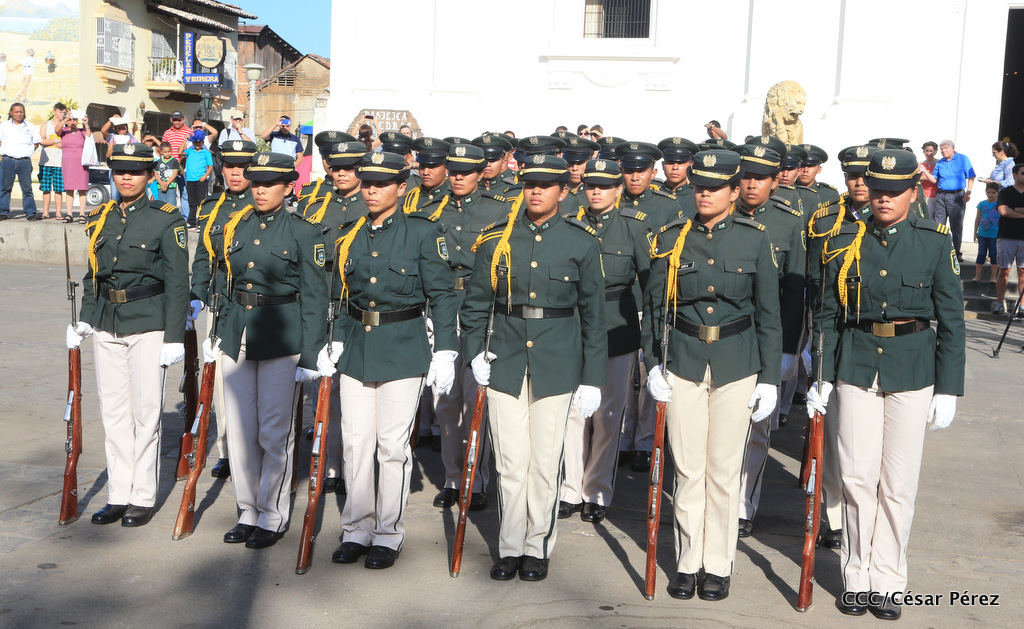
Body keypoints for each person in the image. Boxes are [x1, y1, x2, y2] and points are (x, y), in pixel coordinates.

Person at [808, 149, 964, 620]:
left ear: (913, 193)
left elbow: (952, 320)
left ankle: (889, 580)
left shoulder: (933, 242)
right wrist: (822, 375)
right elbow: (828, 315)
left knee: (898, 483)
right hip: (856, 366)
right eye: (877, 189)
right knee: (857, 478)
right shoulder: (844, 240)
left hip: (912, 369)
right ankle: (856, 576)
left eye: (894, 192)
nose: (883, 199)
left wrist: (948, 388)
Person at [643, 149, 781, 602]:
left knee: (723, 471)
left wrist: (769, 377)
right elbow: (654, 308)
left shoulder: (754, 239)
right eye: (700, 186)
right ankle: (687, 562)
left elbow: (769, 314)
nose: (705, 193)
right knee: (687, 469)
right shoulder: (672, 238)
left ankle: (718, 565)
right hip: (683, 361)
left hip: (736, 363)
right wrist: (653, 362)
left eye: (715, 187)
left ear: (734, 190)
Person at [462, 154, 607, 582]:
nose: (536, 191)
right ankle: (510, 547)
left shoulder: (581, 242)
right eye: (530, 184)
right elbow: (476, 304)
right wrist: (474, 352)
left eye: (546, 184)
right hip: (504, 358)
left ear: (564, 192)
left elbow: (593, 317)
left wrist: (592, 378)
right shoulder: (497, 240)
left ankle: (537, 546)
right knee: (509, 462)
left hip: (557, 361)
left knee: (544, 462)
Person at [317, 150, 457, 570]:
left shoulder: (421, 232)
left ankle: (387, 532)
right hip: (357, 347)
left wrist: (445, 350)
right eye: (367, 183)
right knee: (356, 443)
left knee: (392, 447)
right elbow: (341, 295)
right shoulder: (350, 235)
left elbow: (442, 294)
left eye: (382, 183)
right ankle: (356, 528)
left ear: (401, 186)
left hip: (403, 346)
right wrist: (333, 341)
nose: (372, 190)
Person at [203, 151, 327, 549]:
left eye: (270, 183)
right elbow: (225, 281)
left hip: (281, 334)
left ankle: (272, 514)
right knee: (240, 432)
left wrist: (311, 354)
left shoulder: (304, 232)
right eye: (256, 182)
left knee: (274, 432)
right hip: (238, 332)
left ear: (288, 187)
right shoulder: (235, 225)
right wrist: (217, 333)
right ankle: (248, 510)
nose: (260, 190)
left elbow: (315, 296)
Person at [65, 142, 189, 527]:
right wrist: (86, 319)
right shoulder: (101, 217)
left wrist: (174, 335)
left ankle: (142, 496)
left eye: (135, 172)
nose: (126, 178)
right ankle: (118, 494)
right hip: (108, 322)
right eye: (120, 171)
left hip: (148, 322)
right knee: (114, 413)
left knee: (146, 413)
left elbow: (177, 282)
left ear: (150, 176)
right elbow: (94, 275)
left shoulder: (166, 218)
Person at [558, 158, 651, 524]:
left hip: (616, 327)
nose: (596, 191)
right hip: (576, 326)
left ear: (618, 189)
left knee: (608, 415)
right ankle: (569, 488)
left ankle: (596, 490)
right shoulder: (570, 223)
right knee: (573, 413)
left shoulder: (632, 227)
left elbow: (649, 283)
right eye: (590, 185)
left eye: (605, 185)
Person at [421, 144, 509, 511]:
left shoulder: (499, 210)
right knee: (445, 401)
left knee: (476, 400)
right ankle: (453, 478)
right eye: (453, 171)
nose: (458, 177)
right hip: (440, 307)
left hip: (479, 309)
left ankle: (477, 479)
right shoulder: (429, 209)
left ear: (479, 173)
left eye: (466, 172)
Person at [804, 143, 878, 549]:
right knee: (832, 435)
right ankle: (832, 514)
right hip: (831, 332)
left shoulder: (895, 217)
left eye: (865, 176)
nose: (859, 183)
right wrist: (810, 340)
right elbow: (815, 282)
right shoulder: (825, 217)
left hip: (872, 336)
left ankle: (863, 513)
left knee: (866, 442)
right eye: (853, 176)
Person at [731, 145, 806, 539]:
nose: (751, 184)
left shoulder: (788, 223)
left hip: (767, 337)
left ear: (775, 181)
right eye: (746, 176)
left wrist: (789, 349)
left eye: (760, 178)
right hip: (726, 336)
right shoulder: (719, 215)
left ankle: (744, 505)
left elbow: (794, 294)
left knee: (757, 426)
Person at [186, 139, 258, 479]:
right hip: (220, 302)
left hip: (255, 304)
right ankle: (227, 450)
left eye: (243, 166)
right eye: (230, 166)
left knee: (254, 378)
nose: (235, 172)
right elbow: (203, 257)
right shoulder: (212, 207)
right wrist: (197, 295)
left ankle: (253, 445)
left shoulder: (263, 204)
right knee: (219, 383)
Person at [930, 139, 976, 261]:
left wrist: (969, 192)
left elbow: (971, 176)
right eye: (941, 149)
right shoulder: (940, 162)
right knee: (938, 225)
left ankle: (956, 252)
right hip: (941, 195)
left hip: (957, 196)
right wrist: (924, 172)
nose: (943, 150)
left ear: (952, 148)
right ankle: (938, 252)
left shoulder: (962, 159)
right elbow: (934, 180)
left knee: (956, 226)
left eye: (946, 148)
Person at [0, 102, 40, 220]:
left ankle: (30, 212)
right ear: (11, 113)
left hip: (24, 162)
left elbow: (36, 142)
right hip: (8, 161)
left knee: (27, 188)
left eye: (21, 112)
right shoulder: (4, 126)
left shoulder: (30, 127)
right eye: (16, 112)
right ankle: (3, 211)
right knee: (5, 187)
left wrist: (27, 151)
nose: (19, 114)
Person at [994, 163, 1024, 315]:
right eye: (1023, 173)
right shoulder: (1005, 192)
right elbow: (1004, 211)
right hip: (1007, 236)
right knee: (1004, 271)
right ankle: (999, 303)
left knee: (1022, 272)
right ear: (1014, 174)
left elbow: (1011, 211)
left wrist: (1016, 210)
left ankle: (1022, 306)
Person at [56, 110, 90, 223]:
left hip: (81, 162)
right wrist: (65, 119)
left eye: (74, 119)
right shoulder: (64, 131)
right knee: (69, 188)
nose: (72, 122)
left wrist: (86, 123)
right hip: (68, 162)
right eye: (70, 120)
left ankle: (82, 214)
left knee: (82, 188)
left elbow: (90, 137)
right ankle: (69, 214)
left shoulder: (81, 131)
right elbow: (57, 130)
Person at [402, 137, 451, 213]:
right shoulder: (409, 198)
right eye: (422, 166)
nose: (425, 172)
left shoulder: (453, 197)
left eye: (432, 167)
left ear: (446, 169)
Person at [654, 136, 699, 217]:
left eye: (681, 163)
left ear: (691, 165)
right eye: (670, 162)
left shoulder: (698, 198)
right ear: (663, 165)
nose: (675, 167)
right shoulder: (653, 195)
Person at [38, 102, 67, 220]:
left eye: (64, 112)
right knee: (46, 188)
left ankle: (58, 213)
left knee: (59, 189)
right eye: (60, 112)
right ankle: (45, 212)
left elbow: (67, 143)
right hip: (46, 162)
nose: (62, 114)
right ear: (54, 112)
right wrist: (56, 141)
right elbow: (41, 140)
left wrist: (61, 144)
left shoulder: (65, 126)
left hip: (60, 162)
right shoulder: (46, 124)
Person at [181, 131, 214, 227]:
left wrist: (204, 176)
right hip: (190, 179)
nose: (196, 144)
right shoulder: (190, 151)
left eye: (198, 142)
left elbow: (210, 167)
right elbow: (180, 152)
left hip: (200, 180)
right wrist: (185, 140)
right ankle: (191, 221)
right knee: (192, 202)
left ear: (202, 142)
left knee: (201, 202)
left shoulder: (206, 153)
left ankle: (201, 222)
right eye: (194, 142)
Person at [974, 182, 1001, 285]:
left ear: (998, 193)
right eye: (988, 192)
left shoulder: (1000, 205)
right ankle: (977, 276)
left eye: (993, 192)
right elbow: (977, 219)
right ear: (985, 192)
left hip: (995, 234)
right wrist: (975, 232)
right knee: (981, 253)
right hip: (982, 234)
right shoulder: (981, 204)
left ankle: (993, 276)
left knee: (994, 254)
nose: (991, 195)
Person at [152, 142, 180, 206]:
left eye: (169, 151)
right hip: (160, 186)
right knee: (162, 205)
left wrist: (167, 184)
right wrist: (161, 183)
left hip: (171, 186)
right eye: (165, 152)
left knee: (171, 204)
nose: (167, 153)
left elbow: (175, 173)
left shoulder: (174, 161)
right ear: (161, 152)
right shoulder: (158, 162)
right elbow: (156, 174)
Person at [918, 141, 939, 216]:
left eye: (931, 151)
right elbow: (918, 179)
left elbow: (937, 179)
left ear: (935, 151)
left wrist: (925, 176)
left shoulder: (939, 163)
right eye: (926, 151)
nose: (929, 153)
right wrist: (930, 175)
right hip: (924, 195)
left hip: (937, 195)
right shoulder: (920, 165)